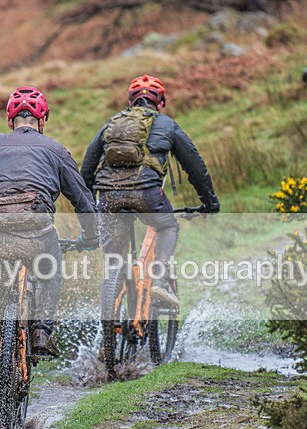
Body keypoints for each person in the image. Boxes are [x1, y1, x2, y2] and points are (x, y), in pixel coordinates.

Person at [0, 86, 98, 422]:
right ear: (41, 119)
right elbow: (82, 200)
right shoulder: (55, 150)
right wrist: (90, 238)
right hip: (38, 236)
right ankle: (42, 329)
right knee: (51, 267)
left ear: (10, 119)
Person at [81, 74, 220, 308]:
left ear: (130, 102)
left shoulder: (112, 123)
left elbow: (86, 169)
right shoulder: (167, 125)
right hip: (147, 195)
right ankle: (160, 280)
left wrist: (90, 206)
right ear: (161, 103)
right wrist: (210, 202)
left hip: (108, 196)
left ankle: (108, 322)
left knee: (114, 260)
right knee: (168, 225)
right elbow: (196, 167)